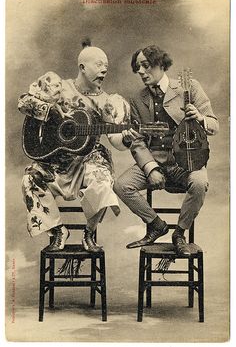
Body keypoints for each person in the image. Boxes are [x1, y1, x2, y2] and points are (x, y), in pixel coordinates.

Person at [18, 40, 130, 252]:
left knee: (104, 183)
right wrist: (49, 111)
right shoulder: (59, 87)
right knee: (29, 178)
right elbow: (23, 102)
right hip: (56, 159)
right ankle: (58, 230)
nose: (104, 69)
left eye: (106, 65)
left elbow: (117, 141)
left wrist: (127, 138)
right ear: (82, 67)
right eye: (98, 64)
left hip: (90, 160)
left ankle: (89, 232)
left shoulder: (107, 102)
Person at [114, 44, 219, 255]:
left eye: (145, 66)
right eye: (138, 68)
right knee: (121, 185)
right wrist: (151, 168)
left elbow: (214, 125)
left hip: (185, 163)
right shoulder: (137, 100)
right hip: (155, 160)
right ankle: (156, 225)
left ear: (161, 64)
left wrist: (200, 117)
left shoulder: (189, 88)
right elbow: (138, 141)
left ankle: (179, 233)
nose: (141, 72)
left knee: (199, 182)